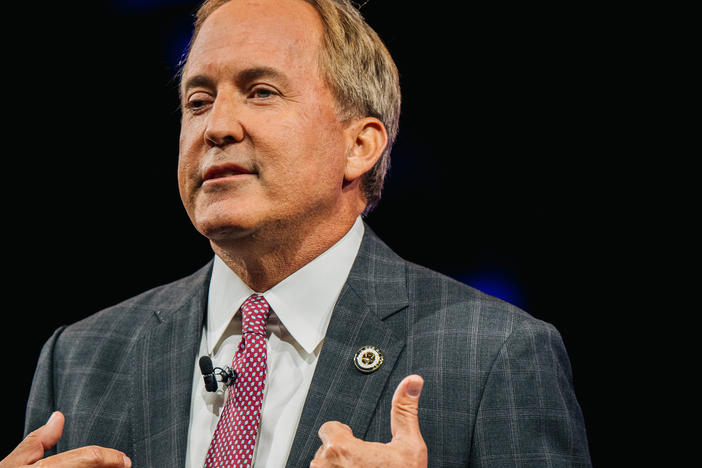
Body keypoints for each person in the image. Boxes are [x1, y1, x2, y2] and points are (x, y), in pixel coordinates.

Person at [3, 0, 591, 467]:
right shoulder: (79, 357)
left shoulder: (494, 354)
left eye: (261, 91)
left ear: (359, 145)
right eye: (198, 100)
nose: (217, 126)